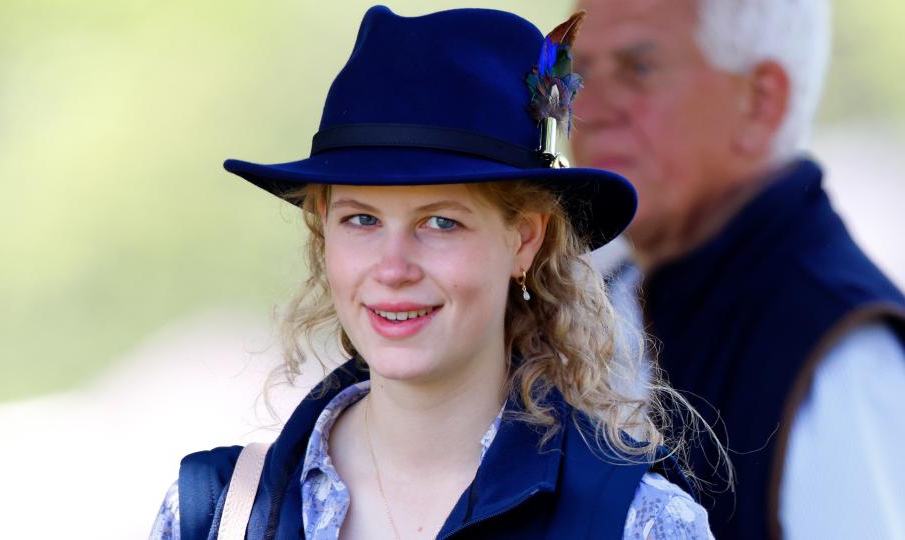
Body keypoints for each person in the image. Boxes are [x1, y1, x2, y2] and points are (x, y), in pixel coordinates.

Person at [147, 6, 720, 540]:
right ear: (324, 234)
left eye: (441, 223)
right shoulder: (218, 514)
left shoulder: (635, 522)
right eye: (362, 219)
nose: (393, 268)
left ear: (525, 240)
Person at [568, 1, 905, 539]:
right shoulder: (590, 310)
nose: (588, 108)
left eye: (639, 68)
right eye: (578, 72)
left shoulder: (842, 355)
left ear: (761, 102)